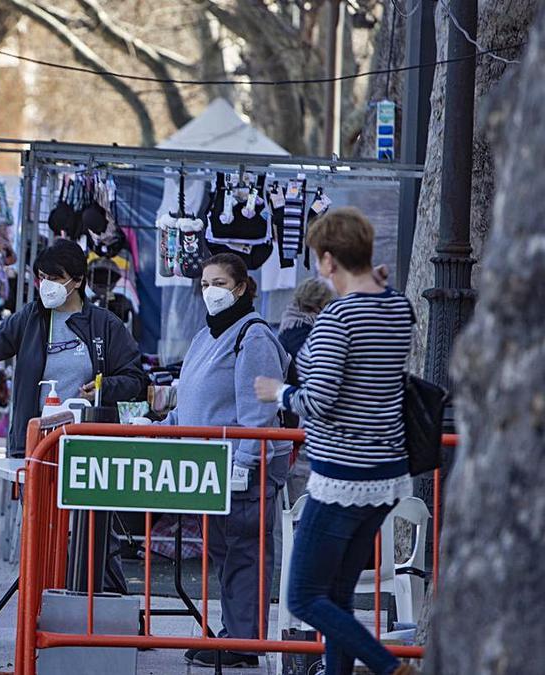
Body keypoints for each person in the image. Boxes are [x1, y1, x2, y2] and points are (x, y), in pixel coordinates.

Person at [255, 208, 417, 675]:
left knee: (304, 596)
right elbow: (384, 305)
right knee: (340, 595)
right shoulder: (396, 307)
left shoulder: (337, 319)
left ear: (327, 262)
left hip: (342, 473)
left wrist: (280, 391)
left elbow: (320, 401)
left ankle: (389, 667)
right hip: (387, 471)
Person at [158, 252, 291, 669]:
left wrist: (246, 461)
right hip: (209, 467)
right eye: (204, 283)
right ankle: (233, 633)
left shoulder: (252, 336)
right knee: (222, 552)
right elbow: (193, 398)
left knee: (244, 551)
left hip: (242, 469)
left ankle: (244, 643)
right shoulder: (206, 336)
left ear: (241, 287)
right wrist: (163, 424)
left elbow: (259, 409)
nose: (210, 291)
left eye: (219, 283)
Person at [0, 239, 146, 459]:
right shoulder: (31, 317)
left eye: (55, 278)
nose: (46, 284)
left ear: (77, 280)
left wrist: (103, 388)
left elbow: (134, 379)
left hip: (86, 448)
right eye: (42, 278)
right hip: (33, 445)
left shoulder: (105, 325)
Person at [277, 277, 337, 500]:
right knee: (306, 486)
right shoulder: (312, 334)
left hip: (296, 418)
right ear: (321, 304)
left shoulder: (288, 327)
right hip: (308, 420)